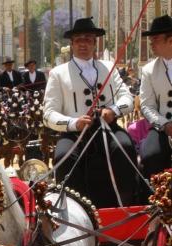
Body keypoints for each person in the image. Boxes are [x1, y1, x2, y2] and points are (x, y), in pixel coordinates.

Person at [43, 17, 137, 207]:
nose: (83, 43)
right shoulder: (58, 73)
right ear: (72, 44)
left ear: (95, 42)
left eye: (87, 39)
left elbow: (127, 99)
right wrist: (73, 122)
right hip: (75, 133)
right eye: (78, 39)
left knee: (125, 146)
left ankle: (127, 203)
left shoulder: (109, 68)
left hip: (107, 129)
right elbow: (49, 114)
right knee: (63, 156)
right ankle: (71, 210)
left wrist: (113, 110)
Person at [140, 15, 172, 179]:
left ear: (170, 40)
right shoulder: (148, 70)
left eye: (156, 39)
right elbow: (146, 106)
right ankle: (155, 199)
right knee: (150, 155)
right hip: (162, 126)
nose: (151, 43)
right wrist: (165, 124)